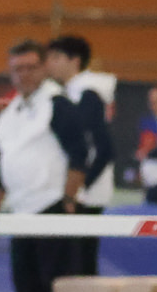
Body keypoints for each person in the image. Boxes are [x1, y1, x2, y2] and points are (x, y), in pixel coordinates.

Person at [0, 37, 99, 292]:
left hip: (51, 206)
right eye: (17, 69)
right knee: (24, 280)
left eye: (30, 67)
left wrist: (68, 199)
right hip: (19, 211)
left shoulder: (57, 104)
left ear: (43, 68)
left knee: (56, 280)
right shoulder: (10, 112)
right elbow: (4, 159)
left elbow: (80, 153)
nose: (24, 74)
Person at [43, 34, 116, 273]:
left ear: (74, 61)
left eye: (56, 57)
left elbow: (104, 148)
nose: (49, 63)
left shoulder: (87, 93)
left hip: (87, 196)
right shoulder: (70, 92)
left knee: (80, 266)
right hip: (83, 191)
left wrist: (81, 187)